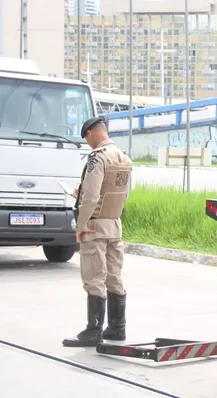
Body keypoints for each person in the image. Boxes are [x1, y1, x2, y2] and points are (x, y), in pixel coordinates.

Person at [62, 117, 133, 347]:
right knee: (114, 276)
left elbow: (92, 196)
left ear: (91, 133)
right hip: (114, 224)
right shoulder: (124, 158)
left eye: (87, 138)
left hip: (95, 226)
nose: (88, 143)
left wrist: (81, 225)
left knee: (94, 277)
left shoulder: (98, 158)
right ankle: (117, 327)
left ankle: (93, 330)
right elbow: (122, 194)